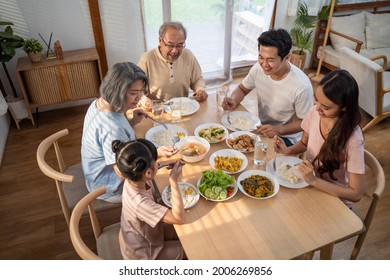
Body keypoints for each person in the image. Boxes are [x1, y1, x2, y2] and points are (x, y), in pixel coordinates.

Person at [81, 62, 177, 203]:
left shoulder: (100, 102)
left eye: (141, 91)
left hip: (94, 174)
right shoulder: (112, 128)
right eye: (133, 93)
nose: (139, 98)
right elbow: (123, 172)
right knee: (164, 186)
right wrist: (155, 154)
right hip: (109, 187)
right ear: (117, 91)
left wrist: (130, 122)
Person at [274, 69, 365, 207]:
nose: (318, 109)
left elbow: (356, 194)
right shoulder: (315, 113)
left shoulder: (353, 139)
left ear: (345, 107)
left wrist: (314, 181)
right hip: (308, 185)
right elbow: (304, 143)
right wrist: (287, 150)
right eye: (316, 100)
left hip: (335, 199)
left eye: (326, 107)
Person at [222, 28, 313, 146]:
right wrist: (233, 101)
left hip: (286, 138)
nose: (264, 64)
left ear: (287, 58)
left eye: (270, 60)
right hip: (261, 129)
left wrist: (278, 129)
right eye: (261, 57)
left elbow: (305, 122)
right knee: (229, 142)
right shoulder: (258, 68)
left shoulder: (301, 86)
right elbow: (242, 89)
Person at [112, 138, 185, 260]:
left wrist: (160, 156)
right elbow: (179, 218)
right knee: (192, 247)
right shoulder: (140, 203)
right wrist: (173, 181)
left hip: (146, 234)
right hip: (145, 253)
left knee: (185, 232)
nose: (158, 162)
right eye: (156, 161)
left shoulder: (134, 177)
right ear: (148, 173)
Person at [138, 21, 208, 104]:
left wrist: (200, 90)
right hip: (157, 110)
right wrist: (146, 102)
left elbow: (197, 79)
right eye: (170, 45)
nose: (174, 50)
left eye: (179, 45)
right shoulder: (147, 59)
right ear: (160, 40)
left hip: (182, 109)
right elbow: (137, 90)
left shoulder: (188, 55)